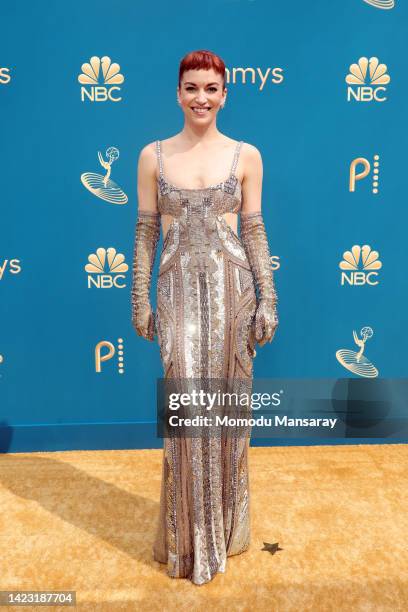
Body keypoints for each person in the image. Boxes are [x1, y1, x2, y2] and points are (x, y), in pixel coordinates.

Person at [131, 49, 278, 585]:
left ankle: (225, 531)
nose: (201, 97)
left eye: (211, 88)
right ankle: (185, 539)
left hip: (231, 292)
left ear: (225, 94)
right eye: (191, 87)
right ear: (177, 92)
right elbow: (146, 232)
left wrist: (268, 298)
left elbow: (254, 231)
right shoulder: (153, 156)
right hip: (175, 296)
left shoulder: (246, 155)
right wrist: (138, 297)